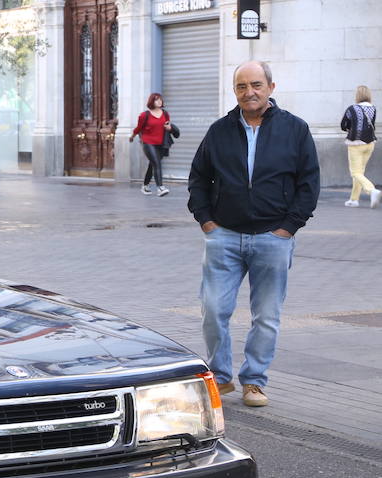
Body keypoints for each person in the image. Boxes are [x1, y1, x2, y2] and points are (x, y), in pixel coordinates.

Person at [187, 60, 319, 408]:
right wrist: (206, 222)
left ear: (271, 88)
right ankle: (219, 376)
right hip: (224, 236)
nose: (250, 92)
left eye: (256, 85)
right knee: (213, 309)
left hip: (272, 238)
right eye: (242, 87)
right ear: (235, 92)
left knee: (267, 316)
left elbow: (309, 183)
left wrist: (288, 228)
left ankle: (254, 381)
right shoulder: (219, 130)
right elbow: (199, 177)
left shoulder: (295, 129)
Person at [129, 92, 176, 196]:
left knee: (153, 165)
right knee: (157, 163)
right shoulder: (144, 115)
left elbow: (168, 126)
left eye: (160, 99)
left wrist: (170, 128)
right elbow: (138, 128)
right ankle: (160, 188)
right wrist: (132, 136)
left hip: (161, 143)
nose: (159, 101)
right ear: (151, 101)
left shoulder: (165, 114)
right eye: (156, 99)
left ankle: (145, 186)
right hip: (148, 142)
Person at [340, 85, 379, 208]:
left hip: (356, 144)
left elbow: (343, 125)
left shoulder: (352, 109)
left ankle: (372, 190)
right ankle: (354, 200)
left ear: (358, 95)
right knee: (360, 172)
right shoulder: (373, 108)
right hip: (370, 144)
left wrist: (351, 129)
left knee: (355, 172)